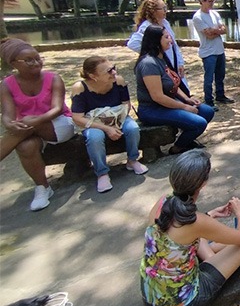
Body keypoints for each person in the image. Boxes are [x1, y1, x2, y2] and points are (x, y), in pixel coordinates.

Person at [140, 150, 240, 306]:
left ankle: (212, 258)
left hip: (150, 294)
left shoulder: (163, 200)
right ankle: (212, 261)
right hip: (182, 303)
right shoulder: (197, 222)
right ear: (203, 183)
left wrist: (210, 215)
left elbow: (180, 231)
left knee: (205, 239)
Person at [0, 38, 74, 211]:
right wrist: (10, 124)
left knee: (26, 122)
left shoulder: (53, 78)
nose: (36, 63)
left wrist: (34, 120)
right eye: (28, 60)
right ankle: (42, 188)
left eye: (37, 58)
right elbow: (7, 115)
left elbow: (56, 109)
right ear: (13, 64)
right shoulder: (6, 85)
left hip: (58, 125)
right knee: (25, 147)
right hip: (28, 131)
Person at [71, 57, 148, 193]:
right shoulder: (80, 88)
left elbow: (126, 103)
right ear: (93, 76)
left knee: (132, 128)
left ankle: (132, 160)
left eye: (113, 68)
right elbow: (77, 118)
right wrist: (107, 128)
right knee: (95, 138)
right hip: (94, 122)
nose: (113, 72)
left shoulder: (118, 81)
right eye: (108, 71)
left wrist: (117, 122)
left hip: (119, 117)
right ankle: (102, 173)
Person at [134, 26, 215, 155]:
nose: (170, 39)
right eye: (166, 37)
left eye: (169, 36)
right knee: (199, 123)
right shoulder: (149, 64)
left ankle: (187, 139)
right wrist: (184, 107)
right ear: (155, 41)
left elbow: (173, 85)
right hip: (153, 109)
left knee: (207, 111)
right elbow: (157, 97)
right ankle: (178, 147)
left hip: (168, 104)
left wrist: (187, 99)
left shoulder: (161, 58)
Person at [127, 0, 188, 91]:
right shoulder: (147, 26)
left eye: (165, 8)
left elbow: (174, 45)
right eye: (162, 9)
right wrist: (155, 51)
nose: (165, 11)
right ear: (153, 11)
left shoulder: (165, 23)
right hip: (163, 64)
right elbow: (133, 43)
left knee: (182, 88)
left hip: (173, 62)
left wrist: (180, 63)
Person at [191, 0, 234, 111]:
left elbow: (224, 29)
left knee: (220, 75)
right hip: (208, 52)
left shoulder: (215, 13)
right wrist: (216, 30)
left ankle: (220, 95)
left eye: (213, 0)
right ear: (202, 1)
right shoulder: (198, 17)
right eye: (210, 1)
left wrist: (214, 30)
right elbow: (208, 35)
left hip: (219, 50)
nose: (212, 3)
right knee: (209, 77)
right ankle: (209, 101)